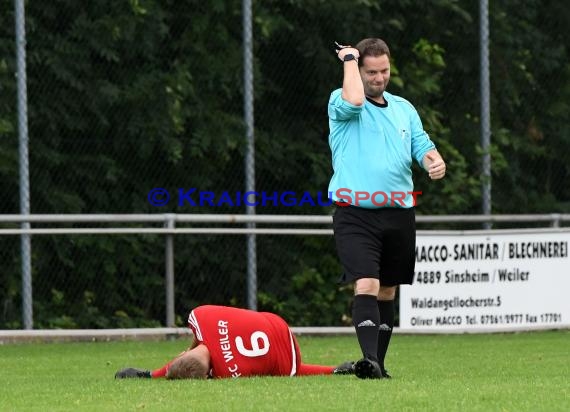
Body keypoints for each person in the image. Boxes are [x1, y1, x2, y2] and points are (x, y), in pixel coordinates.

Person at [328, 38, 446, 379]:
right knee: (366, 282)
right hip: (355, 212)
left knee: (388, 288)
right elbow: (353, 98)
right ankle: (369, 360)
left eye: (384, 71)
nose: (379, 78)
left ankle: (376, 363)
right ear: (358, 70)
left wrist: (434, 162)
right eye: (371, 72)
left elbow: (422, 145)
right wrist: (349, 59)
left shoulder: (403, 108)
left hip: (398, 213)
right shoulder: (342, 101)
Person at [115, 304, 355, 379]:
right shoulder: (201, 315)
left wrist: (147, 375)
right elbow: (197, 348)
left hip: (288, 362)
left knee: (278, 370)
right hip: (279, 325)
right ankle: (337, 370)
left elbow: (189, 366)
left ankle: (336, 370)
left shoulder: (225, 373)